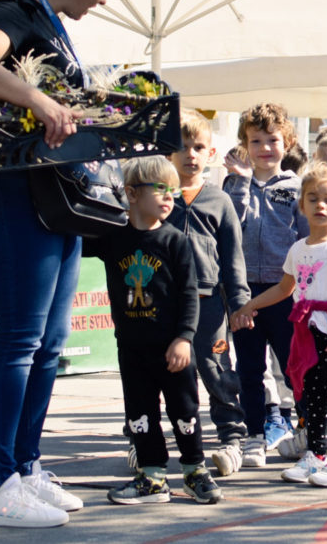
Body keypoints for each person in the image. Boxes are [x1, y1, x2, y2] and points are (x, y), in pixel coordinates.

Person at [0, 0, 121, 528]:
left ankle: (25, 468)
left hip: (51, 198)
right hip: (9, 193)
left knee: (49, 345)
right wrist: (38, 97)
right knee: (20, 342)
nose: (102, 2)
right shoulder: (14, 10)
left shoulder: (49, 21)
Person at [83, 157, 221, 507]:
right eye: (159, 188)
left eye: (171, 189)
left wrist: (184, 337)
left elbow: (190, 293)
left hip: (173, 348)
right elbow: (75, 240)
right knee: (140, 413)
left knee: (184, 411)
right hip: (132, 348)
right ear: (130, 193)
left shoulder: (176, 241)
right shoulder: (113, 238)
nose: (168, 195)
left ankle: (194, 470)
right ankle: (152, 476)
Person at [231, 162, 327, 487]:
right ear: (301, 205)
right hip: (306, 334)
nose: (321, 205)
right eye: (313, 198)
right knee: (313, 395)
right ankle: (316, 453)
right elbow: (283, 288)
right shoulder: (298, 249)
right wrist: (251, 304)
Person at [222, 103, 309, 467]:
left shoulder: (297, 187)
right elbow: (232, 225)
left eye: (272, 140)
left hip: (285, 290)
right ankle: (255, 436)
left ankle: (308, 427)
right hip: (244, 293)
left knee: (295, 365)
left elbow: (307, 239)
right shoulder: (232, 184)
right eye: (255, 141)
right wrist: (241, 181)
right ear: (244, 144)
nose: (264, 148)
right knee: (250, 368)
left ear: (286, 142)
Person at [166, 112, 251, 477]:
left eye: (198, 147)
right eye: (182, 147)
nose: (190, 154)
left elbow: (233, 258)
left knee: (216, 371)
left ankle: (232, 440)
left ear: (211, 152)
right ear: (169, 153)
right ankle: (143, 439)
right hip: (163, 306)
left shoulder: (220, 201)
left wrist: (239, 303)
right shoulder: (158, 198)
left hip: (209, 305)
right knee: (159, 373)